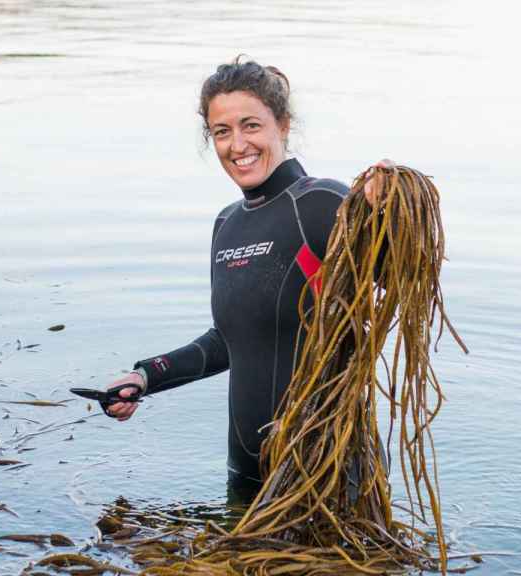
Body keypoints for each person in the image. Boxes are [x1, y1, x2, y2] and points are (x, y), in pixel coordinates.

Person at [104, 57, 390, 493]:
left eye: (250, 125)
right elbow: (229, 340)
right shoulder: (227, 225)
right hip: (247, 476)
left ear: (284, 125)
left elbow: (399, 275)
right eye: (222, 131)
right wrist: (145, 377)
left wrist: (383, 214)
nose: (237, 144)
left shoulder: (323, 204)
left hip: (330, 475)